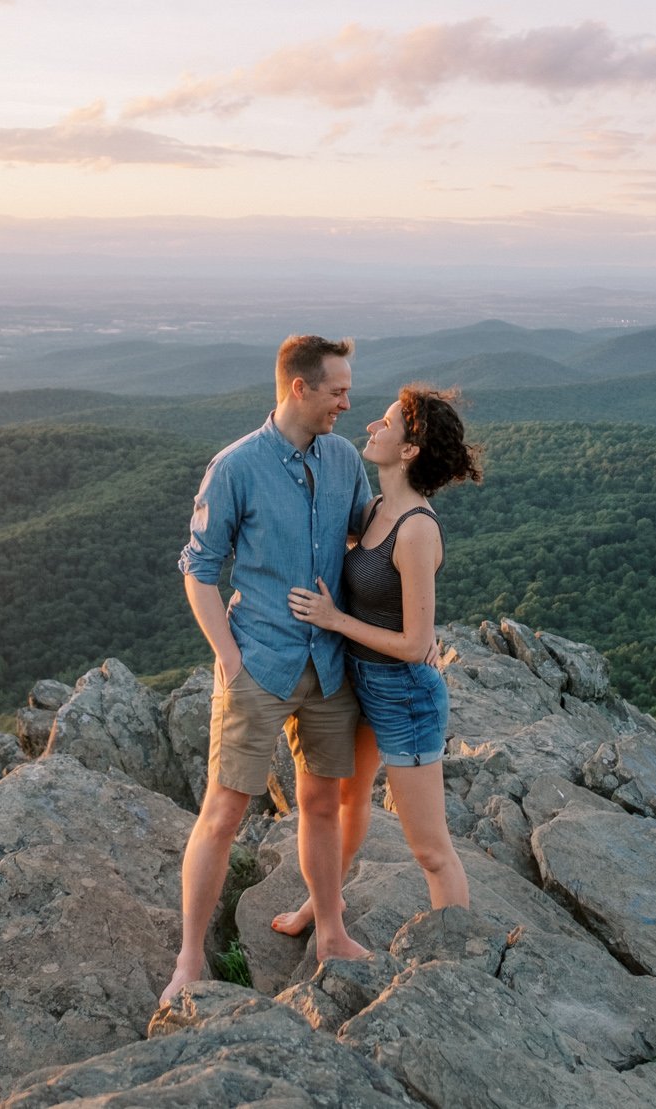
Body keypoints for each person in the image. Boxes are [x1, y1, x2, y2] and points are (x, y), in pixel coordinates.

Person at [163, 334, 376, 1007]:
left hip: (329, 664)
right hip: (259, 659)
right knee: (224, 811)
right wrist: (230, 659)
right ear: (299, 388)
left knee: (321, 803)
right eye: (338, 389)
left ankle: (333, 931)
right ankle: (191, 956)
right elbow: (199, 570)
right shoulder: (235, 467)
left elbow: (370, 538)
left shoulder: (343, 460)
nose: (348, 400)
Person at [277, 385, 483, 933]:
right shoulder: (375, 510)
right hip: (361, 682)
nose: (372, 426)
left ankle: (458, 957)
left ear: (410, 450)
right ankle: (322, 906)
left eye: (387, 423)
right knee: (348, 803)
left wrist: (334, 619)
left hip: (404, 694)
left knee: (430, 850)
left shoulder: (416, 528)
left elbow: (418, 644)